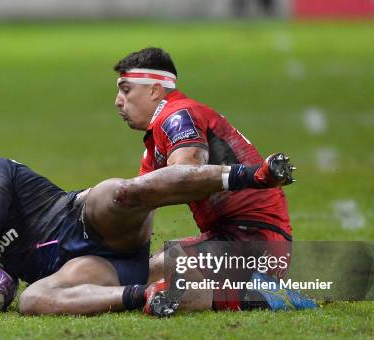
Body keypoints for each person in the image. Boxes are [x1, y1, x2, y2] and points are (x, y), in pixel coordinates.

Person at [0, 127, 294, 315]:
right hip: (93, 268)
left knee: (118, 191)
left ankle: (251, 174)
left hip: (86, 220)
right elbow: (2, 290)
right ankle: (148, 296)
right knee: (33, 300)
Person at [113, 47, 296, 314]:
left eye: (126, 90)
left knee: (157, 275)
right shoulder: (156, 139)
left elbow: (185, 172)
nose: (118, 101)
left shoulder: (177, 116)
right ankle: (252, 293)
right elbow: (140, 205)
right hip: (234, 237)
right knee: (141, 272)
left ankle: (265, 296)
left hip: (254, 240)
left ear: (154, 90)